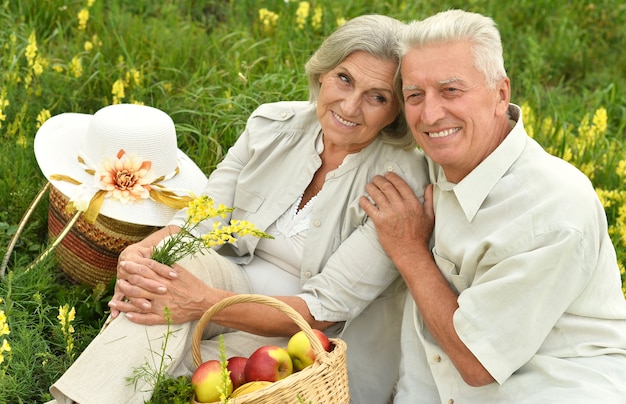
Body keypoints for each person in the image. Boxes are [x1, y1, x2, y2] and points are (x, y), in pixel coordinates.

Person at [47, 15, 429, 404]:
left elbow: (322, 311)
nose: (350, 105)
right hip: (226, 285)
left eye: (377, 96)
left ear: (396, 110)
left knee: (172, 375)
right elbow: (201, 221)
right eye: (344, 79)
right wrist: (142, 252)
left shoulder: (401, 182)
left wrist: (200, 303)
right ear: (322, 72)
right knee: (169, 268)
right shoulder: (271, 126)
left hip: (307, 337)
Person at [360, 9, 626, 403]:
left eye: (451, 91)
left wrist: (409, 250)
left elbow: (476, 362)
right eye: (415, 95)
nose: (430, 114)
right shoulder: (437, 162)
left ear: (501, 94)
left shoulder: (552, 207)